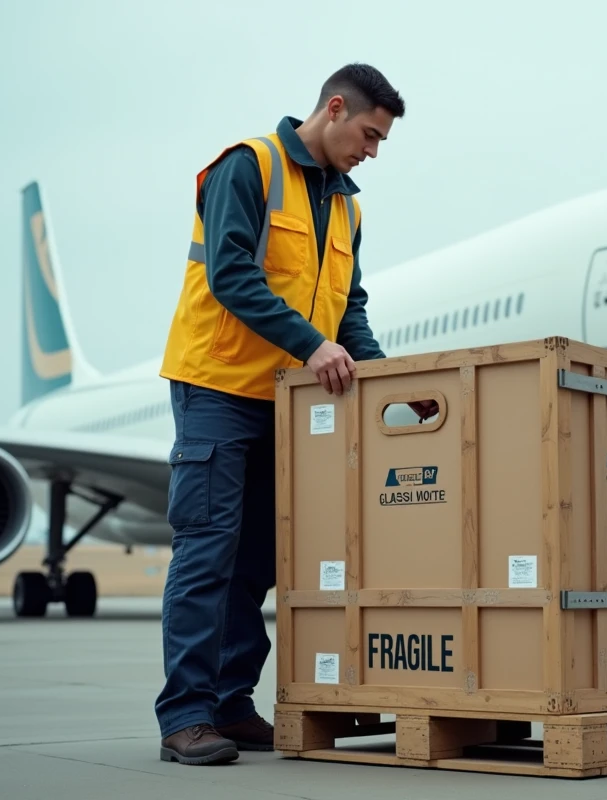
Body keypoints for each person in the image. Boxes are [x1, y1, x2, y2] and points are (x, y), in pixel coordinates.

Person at [154, 63, 437, 766]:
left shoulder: (348, 206)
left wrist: (391, 384)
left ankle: (228, 703)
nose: (371, 151)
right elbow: (230, 276)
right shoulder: (248, 168)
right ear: (334, 109)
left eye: (380, 142)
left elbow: (350, 309)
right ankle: (184, 715)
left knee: (258, 561)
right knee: (207, 552)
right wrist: (314, 347)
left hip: (285, 398)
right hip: (217, 387)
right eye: (368, 135)